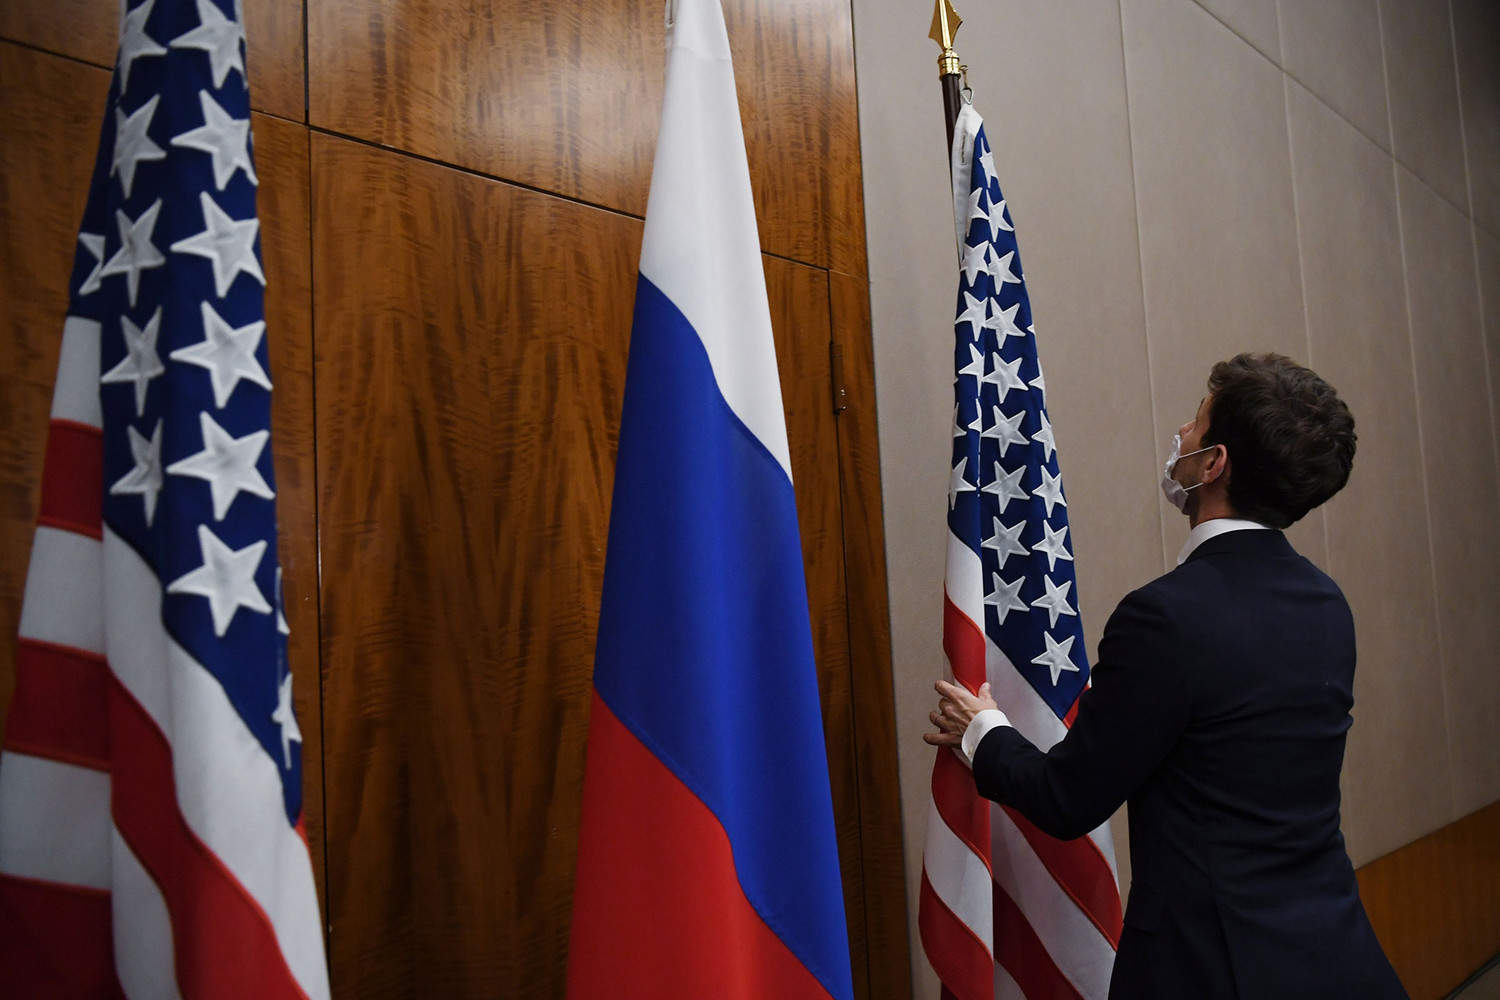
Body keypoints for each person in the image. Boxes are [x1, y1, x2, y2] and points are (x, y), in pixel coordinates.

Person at [927, 353, 1408, 1000]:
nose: (1181, 432)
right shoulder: (1328, 604)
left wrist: (981, 730)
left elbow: (1068, 799)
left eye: (1196, 422)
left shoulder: (1164, 616)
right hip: (1336, 955)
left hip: (1209, 969)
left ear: (1213, 464)